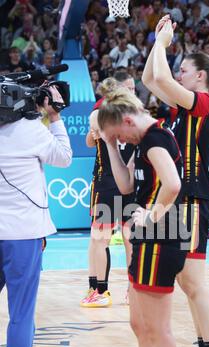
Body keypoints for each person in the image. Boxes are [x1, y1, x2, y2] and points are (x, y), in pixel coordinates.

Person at [142, 15, 209, 347]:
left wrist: (163, 43)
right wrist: (156, 44)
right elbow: (151, 79)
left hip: (194, 200)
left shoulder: (205, 104)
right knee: (188, 282)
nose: (178, 75)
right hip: (185, 202)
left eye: (184, 71)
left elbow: (161, 79)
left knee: (195, 284)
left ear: (200, 77)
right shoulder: (185, 108)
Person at [97, 87, 187, 347]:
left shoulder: (155, 139)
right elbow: (122, 186)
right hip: (149, 239)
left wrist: (150, 216)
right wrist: (109, 144)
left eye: (120, 133)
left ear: (129, 120)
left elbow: (174, 184)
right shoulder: (140, 140)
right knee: (140, 325)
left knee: (159, 329)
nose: (122, 138)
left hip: (163, 237)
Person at [0, 86, 72, 347]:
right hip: (23, 236)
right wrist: (53, 116)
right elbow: (64, 157)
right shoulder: (31, 130)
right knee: (21, 316)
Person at [80, 72, 136, 308]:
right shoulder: (105, 112)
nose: (133, 92)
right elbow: (90, 140)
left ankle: (107, 290)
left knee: (125, 238)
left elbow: (93, 138)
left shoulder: (111, 114)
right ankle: (98, 287)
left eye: (134, 88)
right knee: (100, 239)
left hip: (120, 185)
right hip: (110, 183)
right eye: (128, 88)